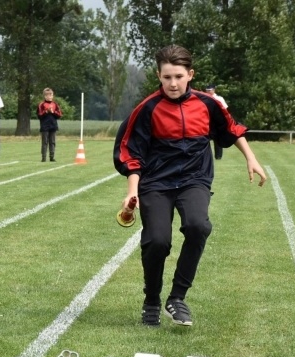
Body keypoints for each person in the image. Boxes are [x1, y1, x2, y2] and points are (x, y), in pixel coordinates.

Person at [114, 44, 267, 327]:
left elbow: (231, 129)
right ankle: (151, 301)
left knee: (198, 226)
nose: (173, 83)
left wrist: (251, 158)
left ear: (190, 75)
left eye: (178, 77)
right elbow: (131, 153)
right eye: (167, 77)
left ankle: (177, 298)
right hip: (156, 183)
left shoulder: (208, 104)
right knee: (157, 241)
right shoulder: (147, 109)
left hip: (194, 179)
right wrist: (132, 192)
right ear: (159, 76)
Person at [37, 88, 63, 162]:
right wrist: (46, 112)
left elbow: (59, 115)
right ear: (44, 96)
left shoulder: (55, 104)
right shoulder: (41, 104)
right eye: (47, 95)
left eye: (50, 95)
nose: (49, 97)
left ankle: (52, 157)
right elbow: (39, 115)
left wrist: (53, 112)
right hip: (45, 125)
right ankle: (43, 157)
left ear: (52, 96)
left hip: (53, 125)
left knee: (52, 142)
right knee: (44, 142)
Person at [204, 84, 228, 159]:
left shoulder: (219, 98)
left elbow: (225, 109)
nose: (208, 92)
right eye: (207, 90)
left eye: (209, 90)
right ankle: (205, 155)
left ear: (214, 90)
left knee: (217, 139)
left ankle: (218, 156)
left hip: (216, 120)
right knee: (204, 138)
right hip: (207, 120)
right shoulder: (204, 98)